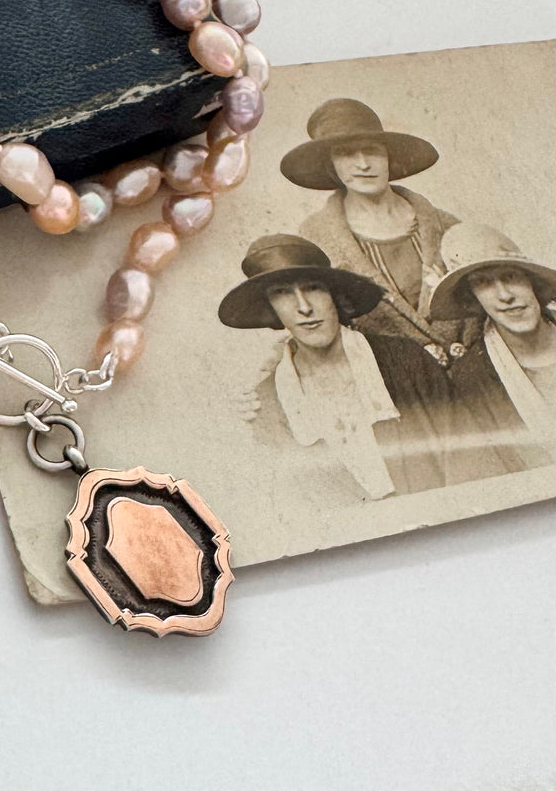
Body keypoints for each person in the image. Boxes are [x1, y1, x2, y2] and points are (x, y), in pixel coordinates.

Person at [218, 234, 454, 499]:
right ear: (271, 308)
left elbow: (465, 460)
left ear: (335, 295)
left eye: (313, 288)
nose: (304, 307)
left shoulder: (407, 359)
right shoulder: (266, 403)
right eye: (282, 293)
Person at [280, 98, 472, 363]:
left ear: (388, 156)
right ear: (330, 164)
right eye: (346, 153)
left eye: (372, 151)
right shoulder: (315, 243)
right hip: (386, 378)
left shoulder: (447, 226)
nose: (363, 164)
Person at [429, 223, 555, 468]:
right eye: (483, 283)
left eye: (511, 277)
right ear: (471, 298)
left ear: (532, 281)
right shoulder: (472, 379)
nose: (505, 295)